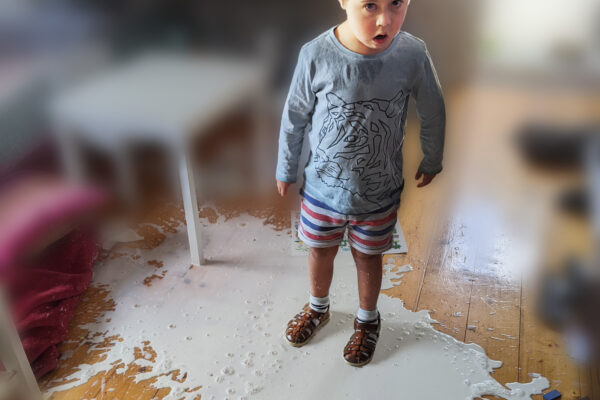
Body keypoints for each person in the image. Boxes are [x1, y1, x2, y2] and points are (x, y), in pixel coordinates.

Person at [275, 0, 445, 367]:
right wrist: (286, 167)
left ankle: (368, 320)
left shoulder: (412, 53)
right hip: (322, 191)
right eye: (369, 5)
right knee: (319, 251)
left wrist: (432, 157)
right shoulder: (316, 54)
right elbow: (294, 116)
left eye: (396, 3)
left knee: (368, 257)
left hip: (378, 194)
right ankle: (318, 308)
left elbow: (432, 106)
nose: (385, 19)